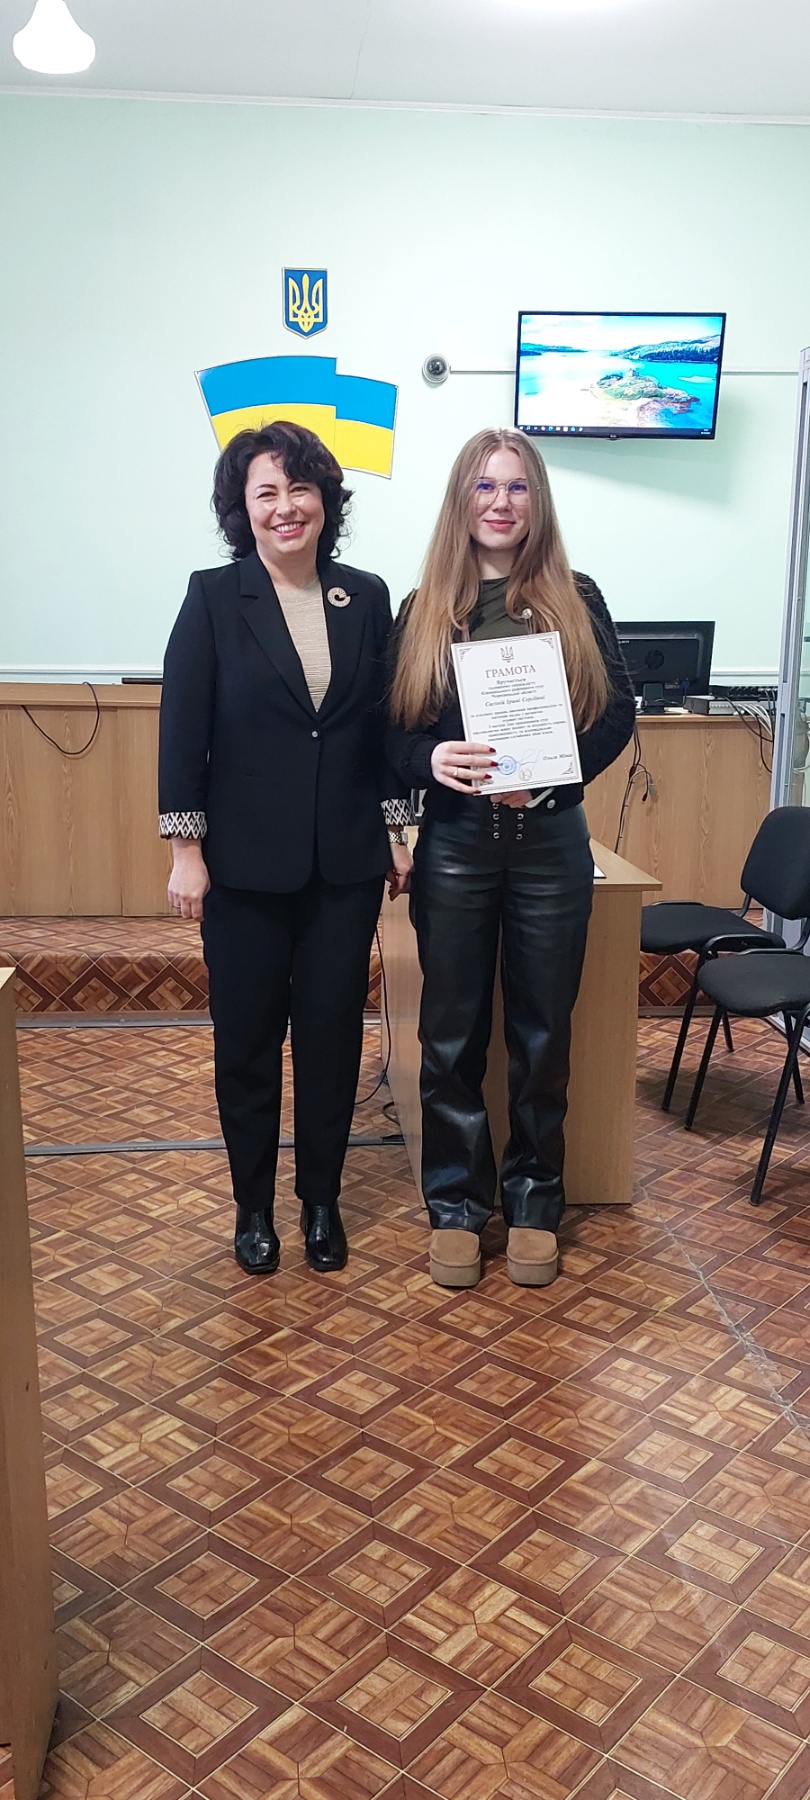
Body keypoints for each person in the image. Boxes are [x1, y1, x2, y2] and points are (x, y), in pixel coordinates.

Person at [159, 421, 411, 1277]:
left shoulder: (364, 596)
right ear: (243, 508)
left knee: (332, 1038)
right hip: (242, 867)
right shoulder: (212, 597)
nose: (285, 507)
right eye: (266, 491)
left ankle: (321, 1202)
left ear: (326, 501)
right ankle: (254, 1208)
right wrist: (186, 849)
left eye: (300, 488)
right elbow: (182, 732)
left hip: (344, 864)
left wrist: (395, 830)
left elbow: (383, 727)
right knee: (248, 1042)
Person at [387, 427, 635, 1290]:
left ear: (538, 501)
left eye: (518, 486)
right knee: (451, 1035)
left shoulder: (578, 596)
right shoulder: (423, 606)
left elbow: (616, 714)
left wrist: (553, 776)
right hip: (456, 846)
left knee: (542, 1033)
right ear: (462, 499)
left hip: (551, 850)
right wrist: (431, 759)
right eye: (485, 486)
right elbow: (389, 735)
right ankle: (457, 1206)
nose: (501, 502)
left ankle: (533, 1203)